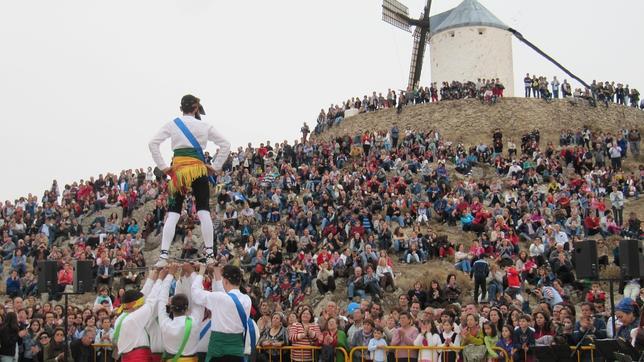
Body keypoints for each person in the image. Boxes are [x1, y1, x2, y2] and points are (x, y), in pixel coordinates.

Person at [148, 94, 231, 266]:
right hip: (198, 169)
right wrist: (215, 166)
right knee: (203, 211)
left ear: (181, 109)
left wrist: (164, 167)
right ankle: (209, 254)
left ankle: (163, 256)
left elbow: (153, 143)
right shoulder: (205, 125)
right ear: (196, 108)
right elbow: (225, 144)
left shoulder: (173, 124)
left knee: (173, 213)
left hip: (178, 171)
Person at [190, 263, 253, 362]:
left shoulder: (220, 298)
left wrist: (201, 272)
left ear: (226, 281)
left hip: (217, 351)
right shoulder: (247, 300)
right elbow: (225, 295)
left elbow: (195, 293)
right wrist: (216, 271)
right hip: (237, 352)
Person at [157, 264, 203, 362]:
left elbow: (161, 299)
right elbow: (198, 299)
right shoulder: (194, 322)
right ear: (187, 308)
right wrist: (192, 273)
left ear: (171, 308)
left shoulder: (165, 324)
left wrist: (170, 275)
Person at [113, 270, 161, 362]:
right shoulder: (132, 318)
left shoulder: (126, 316)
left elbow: (143, 295)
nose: (141, 306)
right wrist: (159, 280)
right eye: (140, 304)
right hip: (137, 357)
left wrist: (151, 278)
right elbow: (150, 303)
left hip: (137, 355)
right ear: (134, 305)